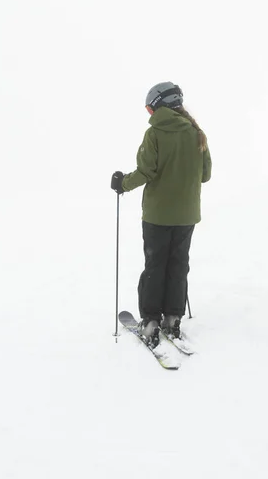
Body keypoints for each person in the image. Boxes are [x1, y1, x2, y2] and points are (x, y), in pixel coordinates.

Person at [111, 82, 212, 347]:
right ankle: (173, 319)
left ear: (158, 105)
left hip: (158, 215)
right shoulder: (196, 133)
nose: (149, 114)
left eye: (149, 109)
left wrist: (122, 184)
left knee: (155, 266)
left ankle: (151, 321)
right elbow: (205, 175)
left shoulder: (155, 134)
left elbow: (146, 172)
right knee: (178, 265)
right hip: (187, 214)